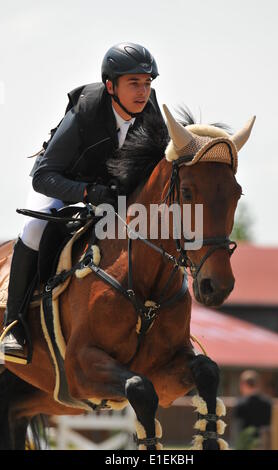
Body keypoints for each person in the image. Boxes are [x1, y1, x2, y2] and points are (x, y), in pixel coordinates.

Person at [1, 42, 165, 361]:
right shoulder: (85, 112)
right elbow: (44, 176)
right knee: (34, 230)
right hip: (61, 185)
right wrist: (88, 192)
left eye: (147, 83)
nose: (142, 91)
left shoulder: (151, 116)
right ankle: (14, 327)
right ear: (110, 85)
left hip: (112, 195)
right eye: (134, 82)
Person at [232, 370, 272, 448]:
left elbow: (236, 428)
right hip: (264, 445)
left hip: (245, 444)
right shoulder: (267, 403)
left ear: (243, 384)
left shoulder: (240, 404)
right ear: (257, 384)